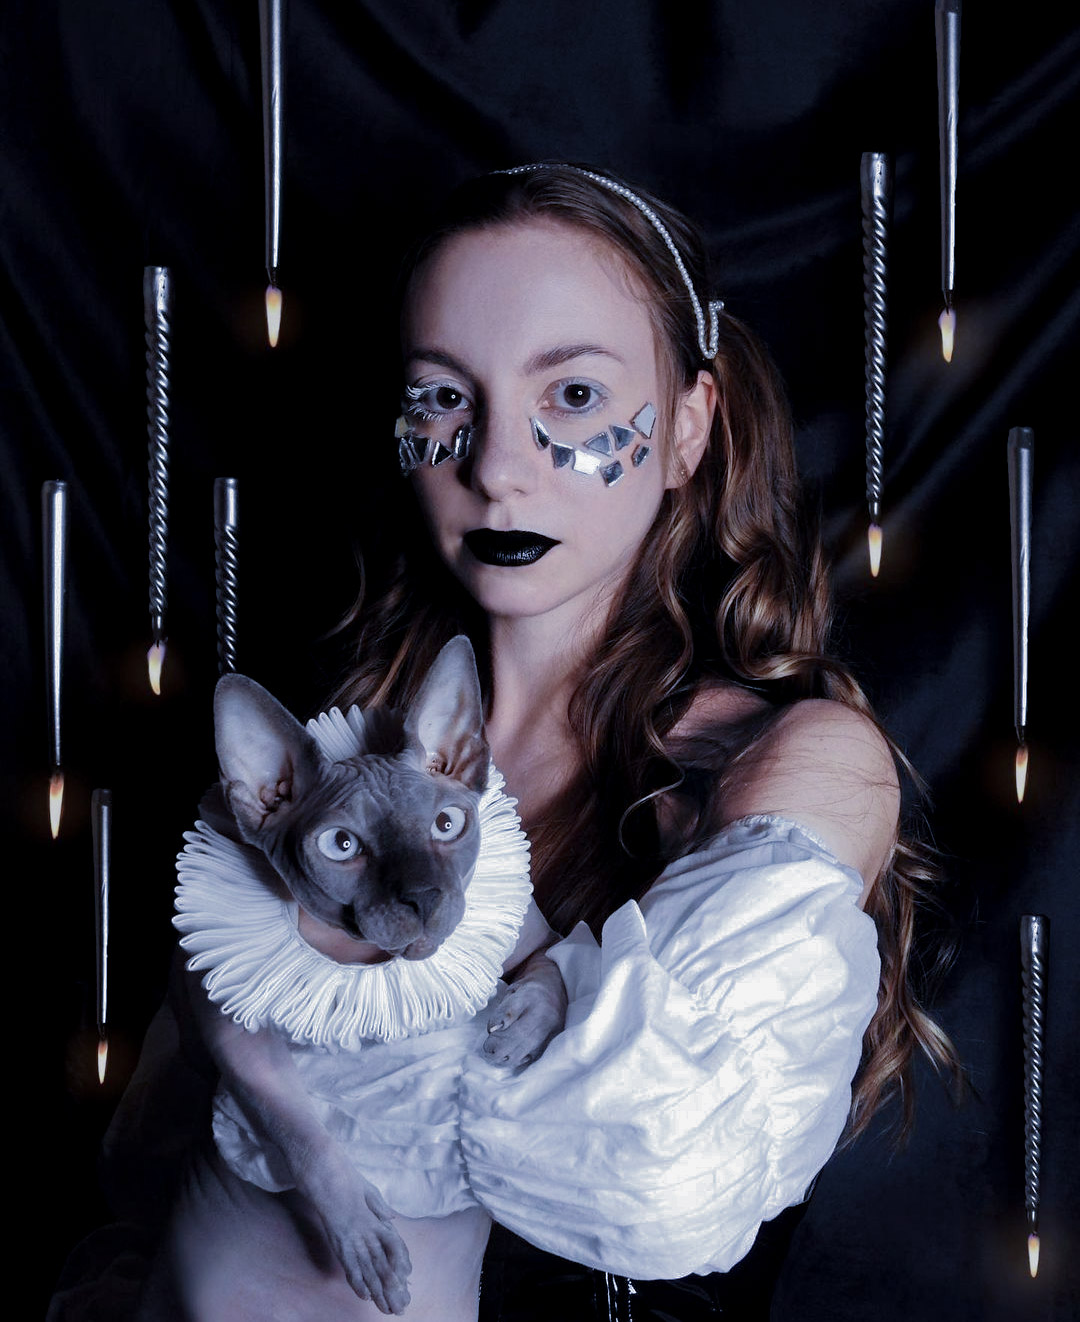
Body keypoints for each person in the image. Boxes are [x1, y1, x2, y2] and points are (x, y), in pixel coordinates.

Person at [325, 162, 960, 1320]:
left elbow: (663, 1171)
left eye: (572, 395)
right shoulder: (338, 761)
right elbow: (159, 1175)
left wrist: (303, 1082)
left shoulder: (793, 762)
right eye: (443, 396)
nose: (496, 465)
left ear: (686, 428)